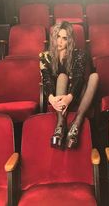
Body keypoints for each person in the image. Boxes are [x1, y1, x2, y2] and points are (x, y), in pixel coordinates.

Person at [39, 21, 99, 149]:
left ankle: (77, 122)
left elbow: (78, 79)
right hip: (58, 97)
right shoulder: (45, 57)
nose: (60, 41)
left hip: (75, 95)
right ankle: (60, 123)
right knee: (62, 76)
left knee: (94, 76)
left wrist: (69, 97)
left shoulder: (79, 55)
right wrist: (51, 98)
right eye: (58, 37)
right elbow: (46, 79)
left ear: (70, 40)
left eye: (64, 38)